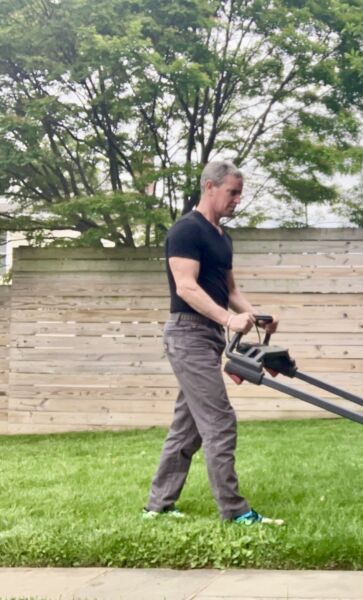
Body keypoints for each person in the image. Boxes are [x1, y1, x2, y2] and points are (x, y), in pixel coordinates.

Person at [143, 160, 282, 525]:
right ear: (210, 187)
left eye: (240, 193)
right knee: (220, 422)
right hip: (187, 333)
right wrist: (227, 318)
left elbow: (230, 289)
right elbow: (187, 287)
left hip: (207, 337)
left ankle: (157, 507)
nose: (237, 200)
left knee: (186, 427)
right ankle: (236, 512)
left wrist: (257, 315)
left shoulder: (223, 237)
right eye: (232, 192)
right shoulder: (186, 231)